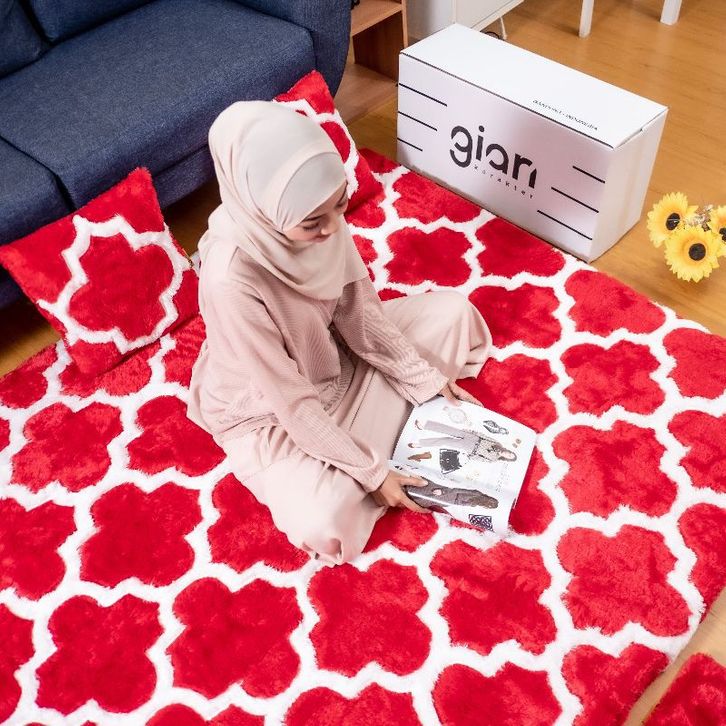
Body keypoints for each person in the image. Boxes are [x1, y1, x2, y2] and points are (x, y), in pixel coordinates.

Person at [186, 101, 492, 565]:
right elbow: (291, 401)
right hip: (272, 411)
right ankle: (376, 445)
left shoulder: (322, 210)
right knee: (323, 520)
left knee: (454, 314)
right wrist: (372, 474)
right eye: (313, 223)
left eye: (341, 205)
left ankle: (383, 429)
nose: (334, 228)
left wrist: (422, 381)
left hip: (336, 360)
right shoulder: (230, 280)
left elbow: (360, 316)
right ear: (264, 210)